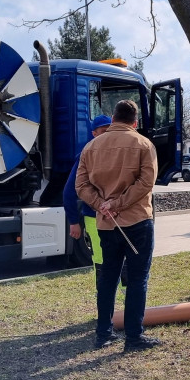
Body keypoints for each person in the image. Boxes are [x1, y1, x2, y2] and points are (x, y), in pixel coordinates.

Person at [76, 99, 159, 353]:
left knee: (108, 278)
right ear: (135, 122)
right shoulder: (144, 144)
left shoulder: (91, 147)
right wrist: (119, 204)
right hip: (137, 222)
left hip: (106, 225)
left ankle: (103, 334)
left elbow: (81, 186)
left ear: (113, 119)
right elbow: (146, 183)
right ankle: (133, 337)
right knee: (137, 280)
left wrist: (102, 205)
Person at [63, 115, 112, 273]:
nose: (108, 135)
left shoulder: (119, 154)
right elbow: (69, 191)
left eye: (110, 131)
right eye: (104, 131)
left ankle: (125, 295)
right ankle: (104, 295)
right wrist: (74, 222)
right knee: (101, 259)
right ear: (94, 134)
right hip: (94, 217)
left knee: (120, 258)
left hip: (118, 216)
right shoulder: (86, 156)